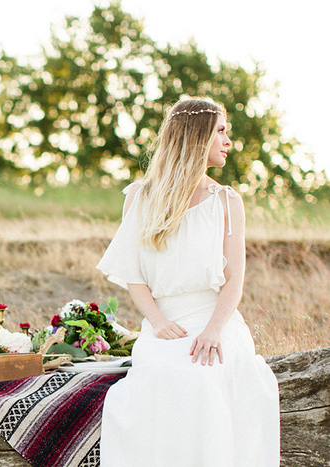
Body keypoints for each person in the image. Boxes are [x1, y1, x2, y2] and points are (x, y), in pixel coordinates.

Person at [96, 98, 280, 466]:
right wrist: (157, 321)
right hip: (164, 322)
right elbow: (133, 274)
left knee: (204, 380)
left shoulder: (227, 201)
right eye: (221, 131)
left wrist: (214, 330)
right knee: (162, 378)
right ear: (197, 137)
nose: (229, 141)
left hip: (217, 320)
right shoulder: (140, 196)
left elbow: (234, 280)